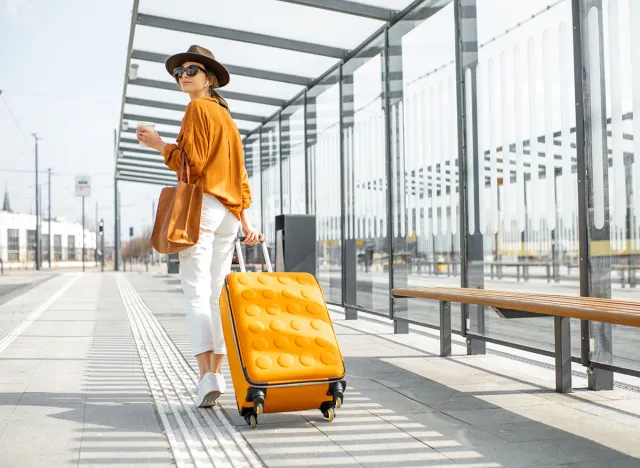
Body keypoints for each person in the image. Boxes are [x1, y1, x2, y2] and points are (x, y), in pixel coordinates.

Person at [137, 45, 263, 407]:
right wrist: (244, 220)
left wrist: (160, 144)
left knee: (195, 292)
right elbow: (240, 176)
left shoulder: (197, 109)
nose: (183, 76)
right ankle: (217, 375)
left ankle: (205, 377)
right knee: (215, 295)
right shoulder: (228, 119)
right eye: (179, 72)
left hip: (203, 207)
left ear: (208, 78)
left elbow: (190, 165)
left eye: (191, 70)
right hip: (226, 214)